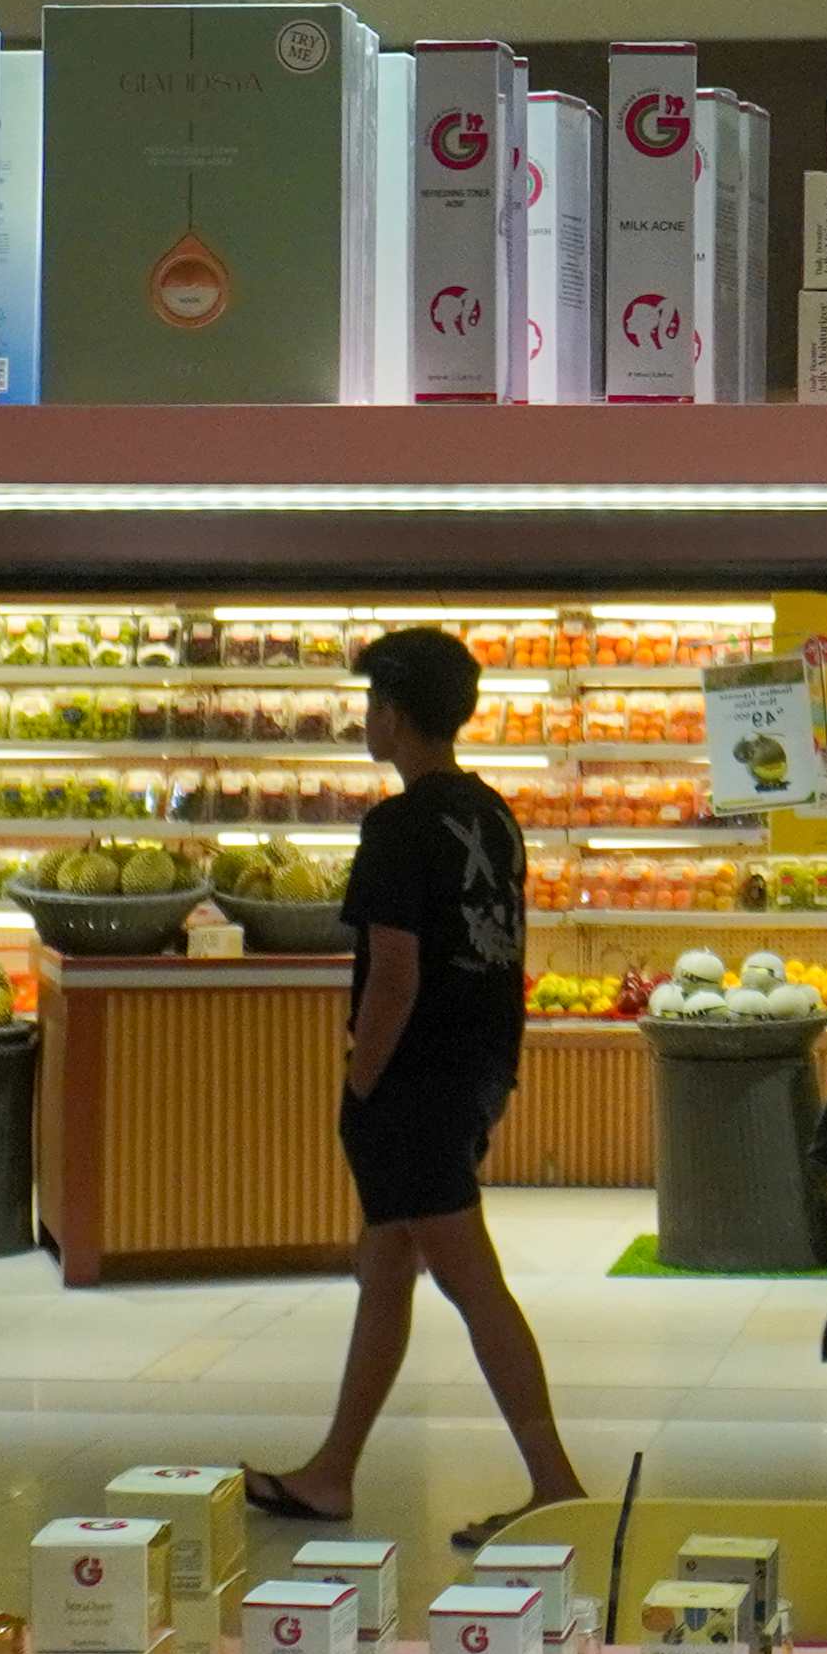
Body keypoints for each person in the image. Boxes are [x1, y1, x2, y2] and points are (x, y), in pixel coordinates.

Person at [246, 624, 588, 1544]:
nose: (368, 719)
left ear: (394, 714)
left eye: (373, 703)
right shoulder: (493, 815)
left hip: (413, 1083)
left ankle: (556, 1482)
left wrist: (361, 1080)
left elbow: (393, 973)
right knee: (386, 1267)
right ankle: (332, 1471)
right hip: (476, 1069)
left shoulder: (397, 828)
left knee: (471, 1281)